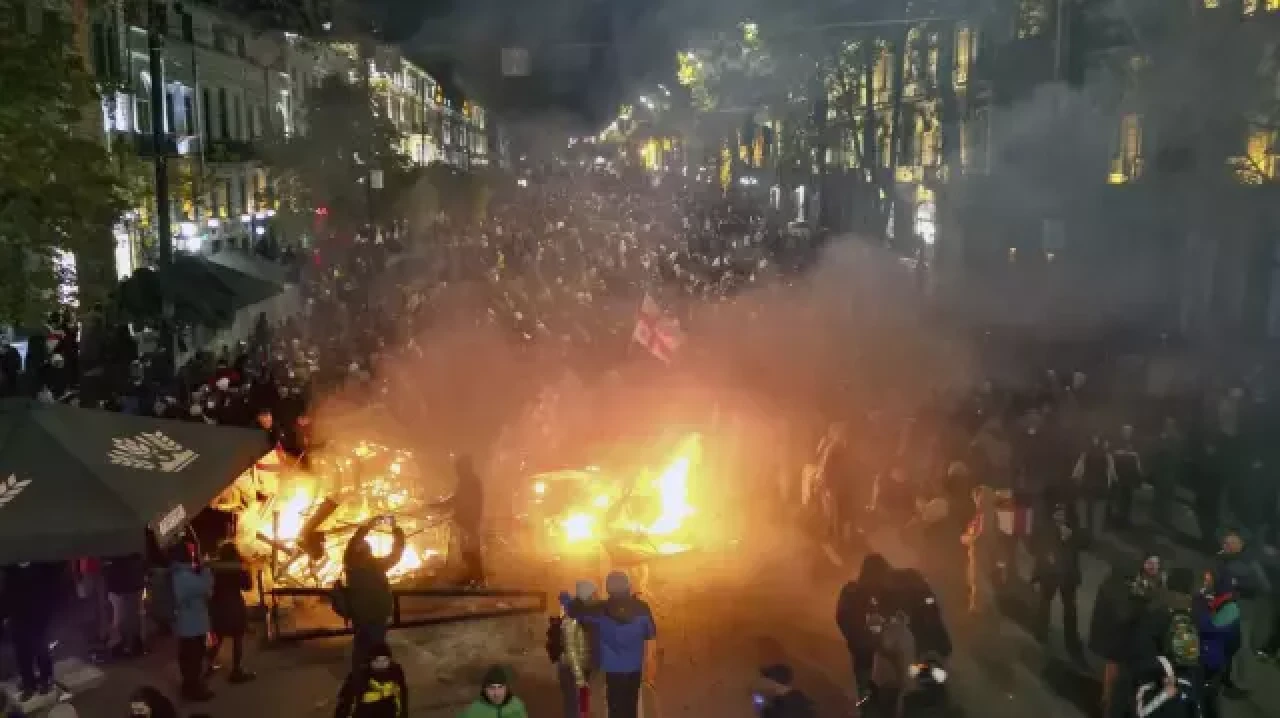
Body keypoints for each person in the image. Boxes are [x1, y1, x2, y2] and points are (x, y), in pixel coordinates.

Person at [569, 571, 657, 718]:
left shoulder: (599, 609)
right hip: (634, 667)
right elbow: (651, 635)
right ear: (628, 585)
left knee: (614, 707)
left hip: (612, 668)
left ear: (608, 588)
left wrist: (580, 597)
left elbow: (575, 612)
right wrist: (649, 662)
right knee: (630, 705)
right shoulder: (642, 608)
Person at [1089, 550, 1166, 718]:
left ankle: (1115, 703)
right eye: (1150, 563)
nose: (1153, 567)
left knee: (1124, 676)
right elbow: (1123, 611)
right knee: (1114, 672)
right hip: (1120, 637)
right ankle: (1107, 703)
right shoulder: (1130, 582)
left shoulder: (1157, 584)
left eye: (1156, 564)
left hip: (1133, 639)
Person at [1131, 568, 1203, 718]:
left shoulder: (1157, 606)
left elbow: (1142, 644)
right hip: (1184, 679)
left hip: (1158, 676)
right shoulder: (1195, 611)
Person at [340, 516, 406, 669]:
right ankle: (370, 677)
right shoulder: (364, 565)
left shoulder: (353, 565)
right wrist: (396, 530)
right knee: (373, 649)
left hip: (367, 615)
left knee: (363, 648)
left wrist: (370, 525)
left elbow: (396, 554)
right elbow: (397, 553)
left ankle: (361, 676)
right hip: (374, 615)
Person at [1212, 528, 1269, 690]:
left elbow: (1264, 586)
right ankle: (1221, 676)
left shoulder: (1250, 563)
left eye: (1230, 543)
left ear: (1241, 544)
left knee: (1240, 647)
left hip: (1242, 610)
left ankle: (1240, 683)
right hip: (1223, 606)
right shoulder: (1222, 558)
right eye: (1225, 542)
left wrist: (1239, 584)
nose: (1226, 545)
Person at [1030, 503, 1085, 659]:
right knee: (1044, 603)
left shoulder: (1073, 528)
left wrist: (1072, 536)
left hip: (1068, 575)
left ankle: (1071, 637)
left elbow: (1085, 541)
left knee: (1069, 608)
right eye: (1057, 514)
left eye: (1062, 514)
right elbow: (1034, 546)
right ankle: (1041, 632)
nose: (1060, 517)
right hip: (1050, 575)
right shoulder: (1045, 528)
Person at [2, 561, 63, 701]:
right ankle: (28, 683)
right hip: (18, 614)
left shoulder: (43, 565)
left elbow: (51, 588)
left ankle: (45, 679)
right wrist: (5, 614)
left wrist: (48, 611)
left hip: (39, 612)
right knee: (22, 650)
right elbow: (7, 591)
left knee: (41, 647)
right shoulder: (10, 568)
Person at [837, 553, 893, 699]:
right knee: (868, 694)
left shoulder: (887, 593)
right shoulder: (853, 591)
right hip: (867, 652)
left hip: (885, 652)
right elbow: (843, 618)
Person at [170, 543, 214, 701]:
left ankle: (190, 686)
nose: (193, 555)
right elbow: (205, 586)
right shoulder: (183, 576)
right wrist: (206, 569)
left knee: (189, 658)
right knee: (193, 659)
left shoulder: (180, 573)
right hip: (192, 626)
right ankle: (193, 689)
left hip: (187, 625)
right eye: (190, 553)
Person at [433, 455, 486, 586]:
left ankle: (478, 578)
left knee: (470, 551)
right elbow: (457, 499)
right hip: (466, 522)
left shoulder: (471, 482)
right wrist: (442, 505)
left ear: (465, 467)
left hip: (469, 522)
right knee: (467, 551)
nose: (457, 471)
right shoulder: (467, 481)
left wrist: (442, 506)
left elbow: (462, 501)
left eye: (459, 468)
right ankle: (474, 576)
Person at [207, 542, 255, 683]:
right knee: (237, 638)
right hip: (234, 606)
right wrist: (248, 569)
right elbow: (248, 586)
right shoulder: (237, 568)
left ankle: (207, 666)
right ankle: (236, 671)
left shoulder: (214, 567)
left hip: (218, 606)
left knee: (218, 637)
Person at [553, 581, 598, 718]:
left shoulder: (586, 615)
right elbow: (571, 650)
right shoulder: (572, 619)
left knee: (581, 706)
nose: (595, 598)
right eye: (593, 595)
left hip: (581, 668)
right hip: (570, 669)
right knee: (574, 706)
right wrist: (579, 678)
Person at [333, 642, 409, 718]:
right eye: (377, 661)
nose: (381, 664)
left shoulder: (395, 672)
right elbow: (345, 703)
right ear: (370, 661)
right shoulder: (359, 676)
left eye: (385, 660)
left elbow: (402, 697)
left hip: (388, 711)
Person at [1071, 434, 1115, 539]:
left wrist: (1076, 479)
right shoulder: (1107, 455)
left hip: (1087, 485)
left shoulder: (1085, 454)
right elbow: (1111, 473)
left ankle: (1083, 530)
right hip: (1101, 486)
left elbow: (1077, 471)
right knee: (1099, 511)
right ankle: (1096, 534)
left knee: (1083, 508)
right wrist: (1109, 485)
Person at [103, 553, 147, 658]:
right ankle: (130, 645)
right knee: (130, 616)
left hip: (120, 586)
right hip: (129, 585)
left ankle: (122, 645)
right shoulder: (131, 553)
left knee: (121, 617)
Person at [458, 665, 528, 718]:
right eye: (492, 688)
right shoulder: (474, 710)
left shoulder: (517, 705)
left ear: (506, 688)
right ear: (485, 690)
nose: (497, 693)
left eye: (500, 687)